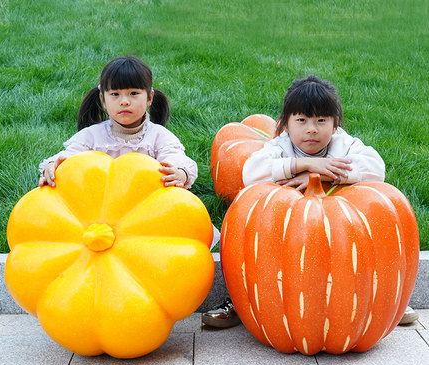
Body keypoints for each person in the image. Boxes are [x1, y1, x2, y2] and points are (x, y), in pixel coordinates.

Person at [202, 74, 418, 328]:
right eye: (302, 120)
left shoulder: (343, 144)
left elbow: (375, 168)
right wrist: (303, 163)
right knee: (254, 245)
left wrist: (319, 175)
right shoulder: (281, 146)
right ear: (285, 124)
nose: (312, 129)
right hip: (284, 232)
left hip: (337, 231)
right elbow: (250, 172)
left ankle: (385, 302)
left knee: (376, 224)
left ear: (335, 124)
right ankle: (242, 303)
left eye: (321, 120)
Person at [39, 56, 196, 189]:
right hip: (100, 205)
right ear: (103, 100)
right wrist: (54, 165)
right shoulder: (92, 136)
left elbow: (174, 157)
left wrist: (180, 172)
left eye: (134, 93)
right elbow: (70, 156)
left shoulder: (159, 136)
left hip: (146, 204)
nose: (125, 102)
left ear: (149, 97)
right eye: (115, 94)